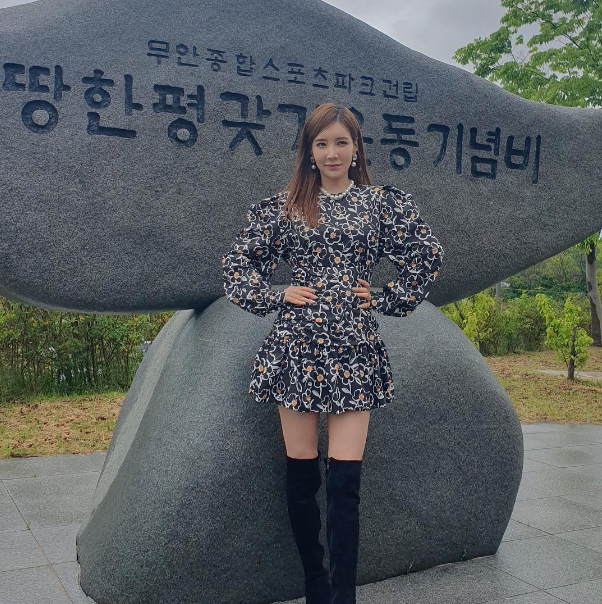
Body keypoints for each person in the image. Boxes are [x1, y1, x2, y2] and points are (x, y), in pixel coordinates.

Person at [221, 102, 444, 604]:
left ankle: (344, 596)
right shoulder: (286, 206)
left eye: (341, 142)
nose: (332, 153)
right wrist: (278, 294)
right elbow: (237, 266)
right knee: (302, 477)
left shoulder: (379, 204)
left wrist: (386, 297)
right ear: (308, 150)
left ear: (356, 147)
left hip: (354, 349)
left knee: (345, 483)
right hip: (297, 347)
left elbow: (427, 254)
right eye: (321, 143)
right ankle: (315, 587)